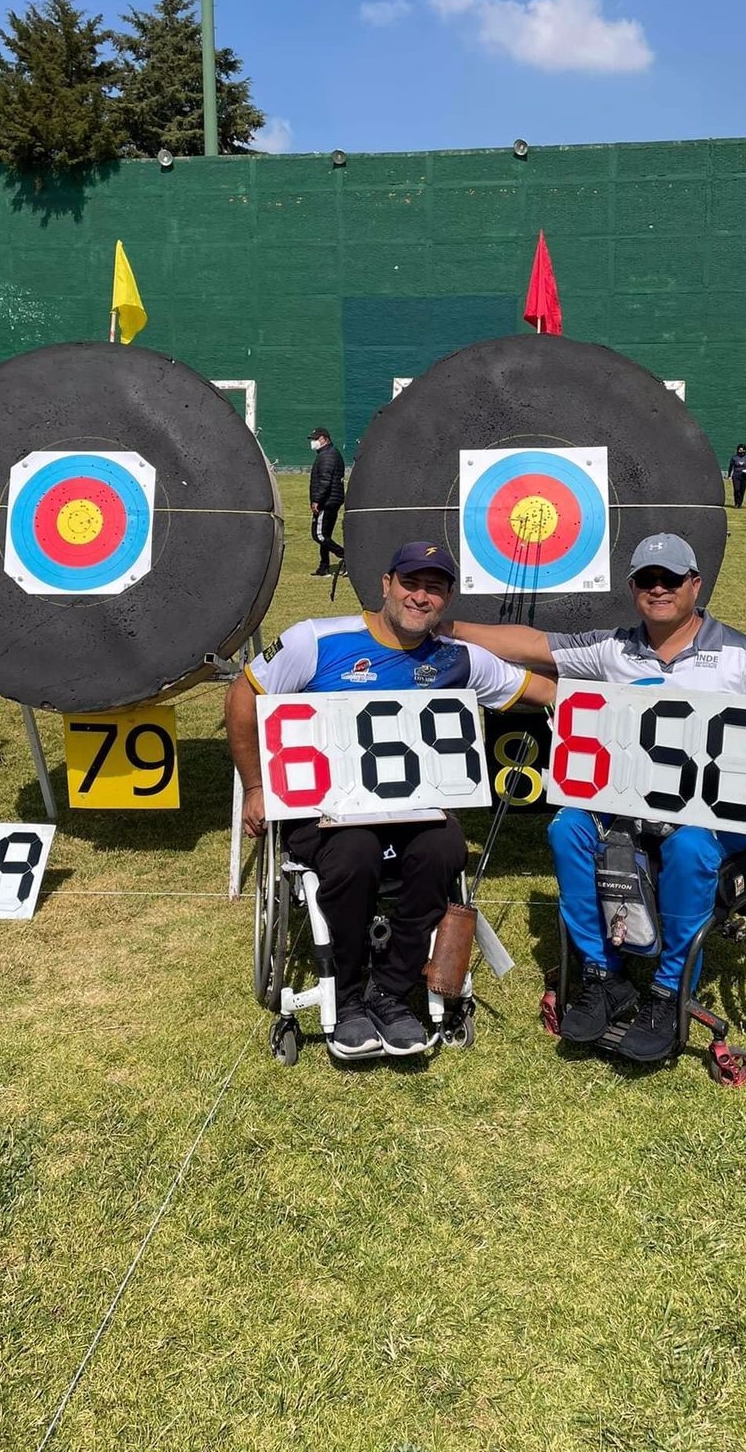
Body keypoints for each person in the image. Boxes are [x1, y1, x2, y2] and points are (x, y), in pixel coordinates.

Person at [445, 533, 746, 1064]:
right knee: (566, 827)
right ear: (634, 587)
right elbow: (532, 645)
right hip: (630, 808)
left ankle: (667, 992)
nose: (659, 589)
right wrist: (447, 628)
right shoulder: (613, 648)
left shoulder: (742, 655)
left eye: (671, 579)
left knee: (689, 849)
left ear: (695, 584)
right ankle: (602, 976)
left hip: (713, 815)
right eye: (647, 580)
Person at [225, 542, 556, 1061]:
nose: (420, 597)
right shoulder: (316, 640)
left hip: (412, 812)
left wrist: (627, 694)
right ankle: (349, 995)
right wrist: (254, 786)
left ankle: (391, 990)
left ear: (447, 599)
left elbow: (539, 691)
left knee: (445, 849)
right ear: (386, 584)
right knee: (355, 853)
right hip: (328, 813)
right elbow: (244, 697)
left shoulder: (458, 658)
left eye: (435, 588)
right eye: (410, 583)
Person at [308, 426, 345, 576]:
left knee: (319, 535)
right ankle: (324, 567)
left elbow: (325, 481)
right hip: (333, 500)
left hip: (327, 501)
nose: (313, 442)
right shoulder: (329, 453)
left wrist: (317, 500)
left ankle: (345, 555)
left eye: (315, 439)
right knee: (325, 534)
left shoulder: (327, 456)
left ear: (324, 439)